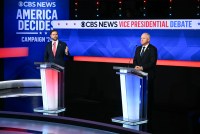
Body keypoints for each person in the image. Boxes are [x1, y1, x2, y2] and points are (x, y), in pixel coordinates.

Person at [133, 32, 157, 132]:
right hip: (137, 76)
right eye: (141, 38)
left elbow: (152, 62)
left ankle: (148, 116)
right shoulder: (138, 48)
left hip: (148, 76)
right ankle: (138, 112)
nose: (141, 40)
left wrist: (142, 67)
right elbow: (134, 60)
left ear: (148, 39)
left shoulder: (153, 49)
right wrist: (136, 66)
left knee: (147, 96)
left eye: (143, 38)